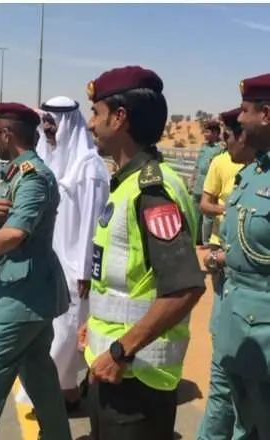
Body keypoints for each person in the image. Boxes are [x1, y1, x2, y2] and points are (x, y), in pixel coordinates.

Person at [77, 65, 206, 440]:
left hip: (137, 382)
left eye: (96, 114)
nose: (90, 124)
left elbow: (185, 288)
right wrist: (98, 323)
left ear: (120, 118)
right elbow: (127, 279)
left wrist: (121, 351)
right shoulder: (127, 184)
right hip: (114, 371)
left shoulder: (152, 192)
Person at [0, 102, 72, 440]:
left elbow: (15, 232)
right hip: (26, 293)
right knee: (38, 373)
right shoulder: (14, 173)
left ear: (8, 133)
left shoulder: (34, 178)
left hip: (24, 295)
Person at [15, 96, 110, 412]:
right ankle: (67, 393)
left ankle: (43, 397)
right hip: (48, 261)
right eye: (45, 123)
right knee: (53, 334)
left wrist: (85, 269)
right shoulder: (47, 157)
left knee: (65, 334)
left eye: (53, 123)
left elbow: (93, 223)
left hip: (74, 269)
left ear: (68, 123)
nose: (48, 130)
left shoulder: (90, 167)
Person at [213, 74, 270, 438]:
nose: (241, 120)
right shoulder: (253, 173)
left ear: (266, 114)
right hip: (238, 332)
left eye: (246, 111)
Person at [197, 107, 254, 440]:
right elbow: (206, 202)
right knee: (223, 373)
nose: (224, 142)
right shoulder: (223, 164)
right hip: (225, 266)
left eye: (229, 135)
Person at [190, 120, 224, 246]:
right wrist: (192, 181)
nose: (205, 134)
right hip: (198, 185)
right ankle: (196, 239)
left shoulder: (220, 149)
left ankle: (206, 242)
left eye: (208, 131)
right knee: (195, 214)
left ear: (215, 133)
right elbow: (197, 166)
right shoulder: (203, 148)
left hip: (209, 186)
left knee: (208, 217)